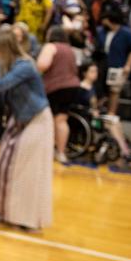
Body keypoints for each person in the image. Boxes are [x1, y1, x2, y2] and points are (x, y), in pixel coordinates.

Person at [0, 25, 53, 231]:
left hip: (36, 120)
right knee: (5, 164)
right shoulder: (7, 64)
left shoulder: (25, 65)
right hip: (20, 119)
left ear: (5, 46)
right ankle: (2, 211)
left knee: (25, 170)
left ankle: (25, 219)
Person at [95, 9, 131, 156]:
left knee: (115, 90)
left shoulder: (126, 33)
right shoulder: (101, 31)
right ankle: (98, 109)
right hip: (102, 64)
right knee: (100, 89)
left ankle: (111, 113)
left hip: (117, 66)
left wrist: (128, 66)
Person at [37, 26, 81, 164]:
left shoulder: (51, 47)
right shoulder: (70, 49)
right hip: (72, 86)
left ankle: (46, 151)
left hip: (55, 87)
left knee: (47, 120)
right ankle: (61, 153)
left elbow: (42, 65)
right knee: (61, 120)